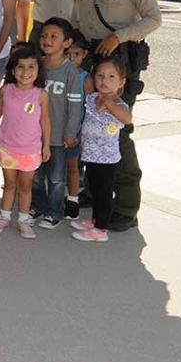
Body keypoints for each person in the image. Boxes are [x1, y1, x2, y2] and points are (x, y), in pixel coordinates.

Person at [71, 0, 162, 232]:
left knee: (117, 133)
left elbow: (153, 19)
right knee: (90, 125)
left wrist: (120, 37)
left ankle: (125, 205)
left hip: (119, 62)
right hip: (91, 61)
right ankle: (95, 191)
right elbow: (78, 24)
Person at [0, 44, 50, 239]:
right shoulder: (6, 90)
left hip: (30, 149)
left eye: (31, 67)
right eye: (20, 66)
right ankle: (4, 217)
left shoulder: (41, 95)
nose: (25, 72)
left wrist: (46, 145)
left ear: (38, 70)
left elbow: (45, 120)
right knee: (9, 184)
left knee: (25, 186)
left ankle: (23, 219)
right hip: (7, 146)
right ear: (13, 70)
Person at [71, 58, 133, 242]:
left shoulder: (119, 105)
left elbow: (127, 119)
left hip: (107, 159)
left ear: (121, 81)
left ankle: (101, 229)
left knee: (104, 193)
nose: (104, 80)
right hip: (90, 154)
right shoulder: (92, 98)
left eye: (111, 76)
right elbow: (88, 122)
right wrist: (80, 138)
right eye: (100, 76)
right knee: (95, 190)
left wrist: (108, 103)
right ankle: (95, 219)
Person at [32, 18, 84, 229]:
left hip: (59, 136)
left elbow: (75, 107)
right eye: (44, 35)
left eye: (54, 36)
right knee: (36, 176)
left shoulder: (70, 71)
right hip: (35, 135)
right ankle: (38, 206)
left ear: (67, 43)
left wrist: (70, 134)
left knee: (56, 178)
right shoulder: (36, 66)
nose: (47, 40)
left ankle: (54, 212)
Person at [64, 31, 94, 220]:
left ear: (84, 55)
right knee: (55, 167)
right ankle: (54, 198)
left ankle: (72, 200)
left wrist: (82, 134)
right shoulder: (56, 73)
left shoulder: (86, 79)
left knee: (72, 167)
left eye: (76, 54)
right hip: (56, 128)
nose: (72, 58)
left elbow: (90, 109)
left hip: (75, 131)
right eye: (68, 54)